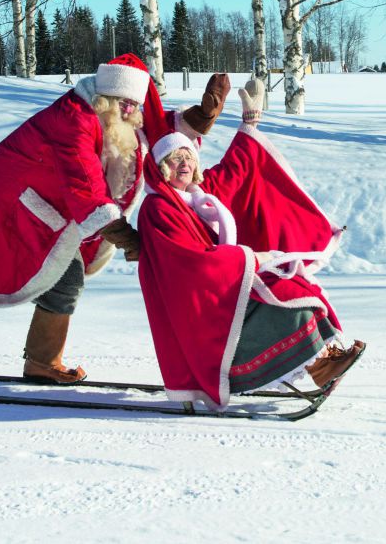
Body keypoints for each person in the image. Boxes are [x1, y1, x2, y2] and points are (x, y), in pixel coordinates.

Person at [0, 54, 232, 384]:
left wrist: (199, 118)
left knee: (61, 283)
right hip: (6, 210)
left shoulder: (118, 116)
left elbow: (156, 128)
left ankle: (42, 361)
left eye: (135, 107)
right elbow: (84, 183)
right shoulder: (73, 120)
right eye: (125, 106)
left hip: (51, 216)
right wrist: (128, 239)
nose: (131, 114)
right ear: (105, 100)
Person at [136, 79, 365, 408]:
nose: (184, 163)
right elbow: (192, 263)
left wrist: (250, 121)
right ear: (161, 168)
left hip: (222, 289)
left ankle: (324, 361)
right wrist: (251, 259)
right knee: (284, 298)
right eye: (174, 159)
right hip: (199, 308)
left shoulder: (198, 196)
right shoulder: (158, 208)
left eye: (188, 156)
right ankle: (317, 365)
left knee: (295, 281)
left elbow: (236, 170)